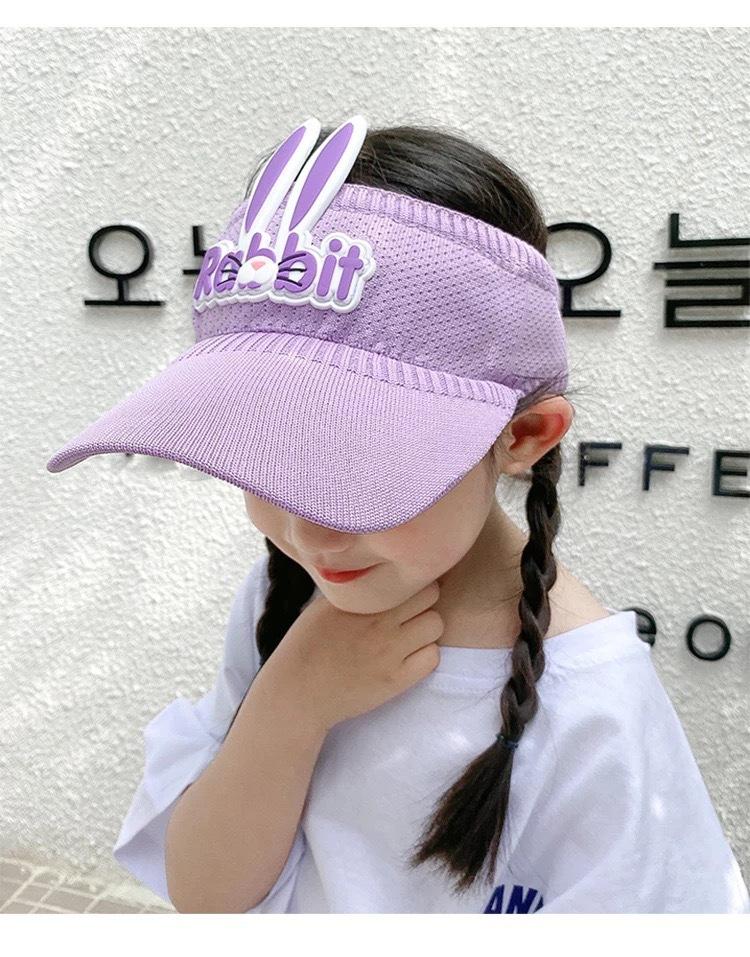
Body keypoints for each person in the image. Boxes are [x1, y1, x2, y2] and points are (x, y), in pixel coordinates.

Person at [46, 115, 750, 914]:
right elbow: (209, 893)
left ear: (523, 435)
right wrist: (292, 700)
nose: (308, 529)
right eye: (262, 450)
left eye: (364, 460)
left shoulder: (596, 710)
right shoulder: (286, 596)